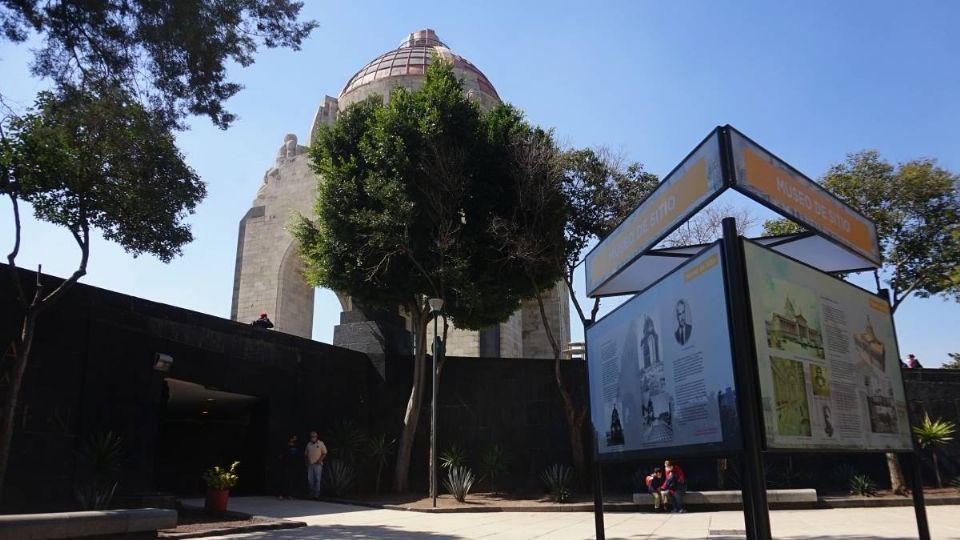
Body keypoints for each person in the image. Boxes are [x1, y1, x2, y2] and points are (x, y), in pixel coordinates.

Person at [304, 431, 328, 499]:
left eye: (314, 436)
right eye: (311, 436)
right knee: (310, 480)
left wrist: (320, 460)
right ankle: (311, 493)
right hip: (310, 465)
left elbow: (325, 453)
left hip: (318, 465)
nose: (312, 438)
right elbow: (305, 455)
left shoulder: (320, 443)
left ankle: (316, 495)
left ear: (316, 437)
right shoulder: (308, 444)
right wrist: (307, 463)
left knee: (317, 479)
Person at [278, 434, 301, 500]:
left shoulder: (297, 446)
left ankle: (289, 495)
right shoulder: (285, 446)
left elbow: (298, 455)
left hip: (293, 466)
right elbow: (281, 456)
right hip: (286, 465)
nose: (295, 439)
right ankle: (281, 494)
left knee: (291, 481)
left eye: (296, 438)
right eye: (294, 438)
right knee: (284, 479)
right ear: (290, 438)